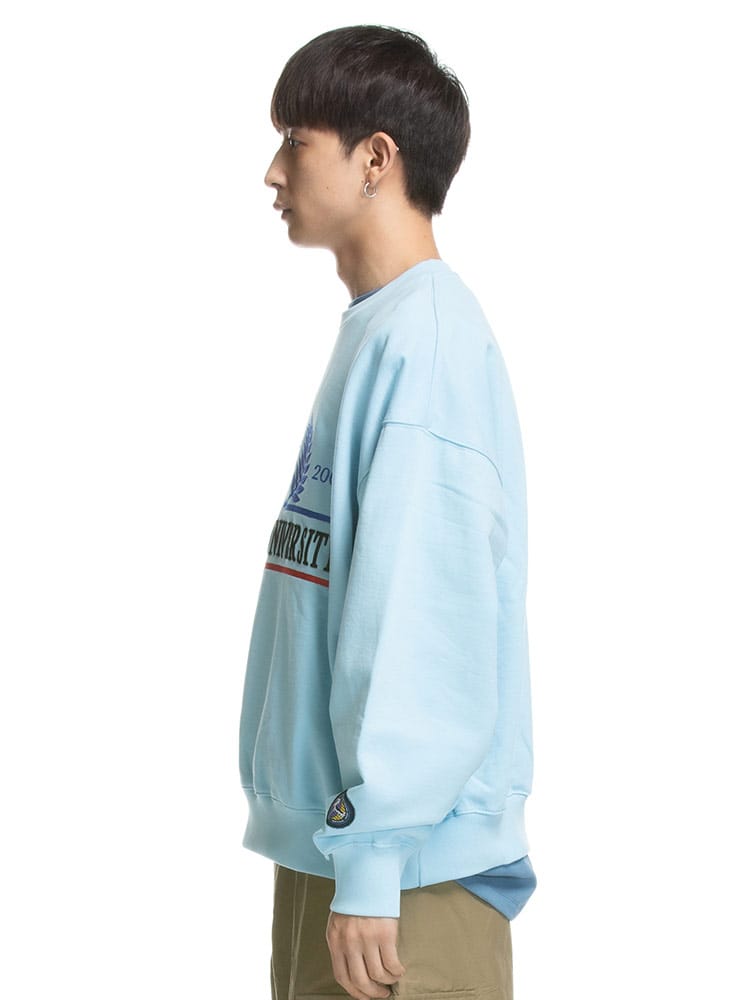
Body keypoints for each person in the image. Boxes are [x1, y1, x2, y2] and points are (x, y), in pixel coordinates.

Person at [238, 24, 537, 1000]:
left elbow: (424, 624)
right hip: (345, 854)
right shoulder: (382, 333)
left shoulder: (428, 345)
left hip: (405, 879)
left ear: (376, 158)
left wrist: (373, 855)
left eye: (296, 140)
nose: (273, 171)